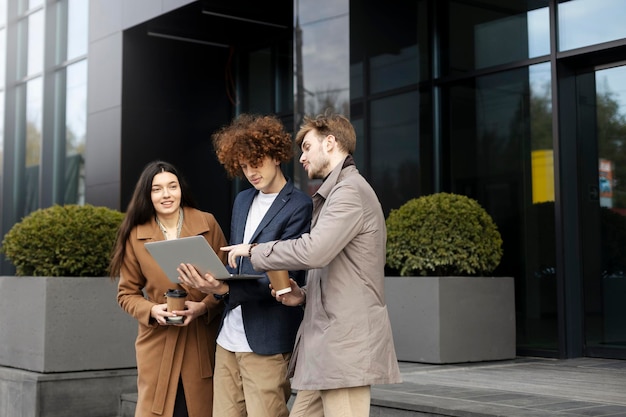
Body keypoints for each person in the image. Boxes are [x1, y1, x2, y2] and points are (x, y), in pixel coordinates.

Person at [219, 111, 402, 417]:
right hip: (327, 343)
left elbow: (314, 251)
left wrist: (254, 250)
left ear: (330, 143)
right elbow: (334, 269)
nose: (300, 157)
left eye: (306, 147)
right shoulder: (334, 194)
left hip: (344, 345)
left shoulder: (349, 192)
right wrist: (302, 294)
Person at [177, 114, 313, 417]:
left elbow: (286, 278)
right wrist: (212, 288)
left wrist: (225, 286)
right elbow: (238, 269)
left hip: (267, 340)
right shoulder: (242, 201)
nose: (251, 172)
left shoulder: (299, 205)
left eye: (257, 161)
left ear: (276, 154)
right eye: (243, 165)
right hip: (228, 339)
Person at [109, 160, 227, 417]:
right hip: (157, 343)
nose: (166, 195)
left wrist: (204, 306)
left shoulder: (207, 223)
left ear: (181, 189)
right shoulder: (136, 234)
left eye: (172, 186)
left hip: (199, 342)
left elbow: (226, 285)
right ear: (147, 195)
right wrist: (153, 310)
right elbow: (126, 294)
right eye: (157, 189)